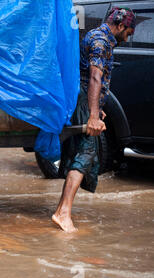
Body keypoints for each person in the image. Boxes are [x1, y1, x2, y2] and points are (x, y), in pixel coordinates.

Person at [52, 7, 136, 233]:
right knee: (87, 151)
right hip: (81, 100)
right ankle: (63, 213)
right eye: (128, 32)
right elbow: (95, 77)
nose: (128, 37)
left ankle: (61, 208)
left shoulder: (99, 37)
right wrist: (91, 115)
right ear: (119, 26)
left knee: (82, 152)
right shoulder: (101, 41)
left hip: (84, 101)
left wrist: (98, 108)